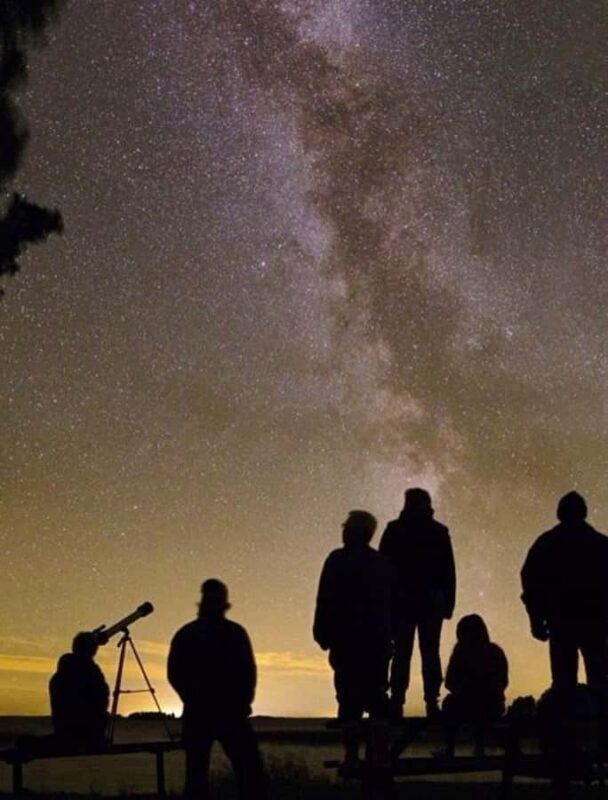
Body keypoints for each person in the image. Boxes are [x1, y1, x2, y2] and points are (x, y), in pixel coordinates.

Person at [168, 580, 267, 800]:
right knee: (249, 770)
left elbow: (174, 673)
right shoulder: (234, 633)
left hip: (201, 713)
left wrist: (191, 698)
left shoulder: (187, 634)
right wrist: (243, 701)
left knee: (197, 775)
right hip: (228, 712)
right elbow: (248, 672)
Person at [313, 510, 391, 762]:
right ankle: (378, 757)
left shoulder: (337, 559)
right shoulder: (381, 563)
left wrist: (322, 632)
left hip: (347, 642)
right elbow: (390, 604)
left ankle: (352, 756)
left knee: (349, 700)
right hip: (376, 643)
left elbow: (324, 598)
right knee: (376, 699)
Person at [521, 491, 608, 703]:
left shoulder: (546, 543)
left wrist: (536, 619)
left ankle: (563, 732)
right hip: (593, 621)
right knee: (600, 682)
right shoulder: (600, 544)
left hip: (562, 621)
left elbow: (531, 583)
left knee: (563, 683)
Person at [379, 488, 456, 719]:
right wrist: (447, 602)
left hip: (409, 603)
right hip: (424, 603)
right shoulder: (437, 532)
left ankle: (404, 701)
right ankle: (425, 701)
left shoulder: (395, 530)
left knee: (409, 652)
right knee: (421, 652)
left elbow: (384, 568)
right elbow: (448, 572)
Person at [441, 614, 508, 756]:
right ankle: (479, 747)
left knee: (449, 704)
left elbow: (449, 682)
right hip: (492, 705)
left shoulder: (460, 653)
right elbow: (504, 681)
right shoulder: (495, 651)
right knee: (478, 711)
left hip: (472, 705)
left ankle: (450, 748)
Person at [49, 631, 109, 746]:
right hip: (88, 736)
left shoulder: (60, 675)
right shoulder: (90, 672)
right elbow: (101, 699)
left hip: (64, 735)